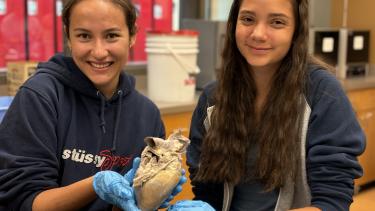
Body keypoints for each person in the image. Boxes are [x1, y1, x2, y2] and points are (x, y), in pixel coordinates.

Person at [0, 0, 186, 210]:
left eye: (111, 35)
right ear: (68, 36)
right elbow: (24, 202)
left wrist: (149, 194)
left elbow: (130, 206)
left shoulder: (146, 115)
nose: (99, 52)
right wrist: (95, 185)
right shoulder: (41, 97)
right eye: (84, 36)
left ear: (132, 34)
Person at [187, 0, 366, 211]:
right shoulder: (213, 99)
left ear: (296, 32)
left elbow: (331, 201)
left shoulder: (322, 93)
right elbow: (207, 193)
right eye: (247, 19)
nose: (258, 33)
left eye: (277, 22)